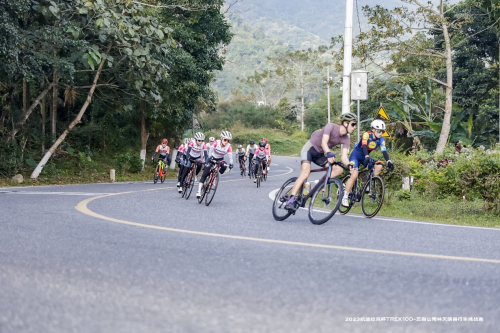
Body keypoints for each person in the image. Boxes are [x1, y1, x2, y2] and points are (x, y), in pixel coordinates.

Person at [285, 113, 358, 211]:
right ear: (345, 123)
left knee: (338, 169)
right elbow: (324, 142)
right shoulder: (331, 127)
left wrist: (349, 165)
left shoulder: (346, 139)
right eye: (353, 124)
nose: (354, 127)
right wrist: (328, 153)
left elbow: (344, 157)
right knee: (305, 173)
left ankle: (317, 186)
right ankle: (291, 200)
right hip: (310, 149)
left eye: (355, 125)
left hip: (320, 154)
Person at [342, 119, 394, 207]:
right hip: (356, 156)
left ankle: (367, 183)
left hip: (366, 157)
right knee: (354, 174)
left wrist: (389, 161)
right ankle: (345, 197)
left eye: (382, 131)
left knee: (379, 166)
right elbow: (364, 146)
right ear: (373, 130)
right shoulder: (366, 135)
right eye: (379, 131)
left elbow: (384, 151)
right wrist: (366, 156)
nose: (381, 133)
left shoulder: (381, 139)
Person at [196, 131, 234, 198]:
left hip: (220, 159)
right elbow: (210, 151)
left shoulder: (229, 146)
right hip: (212, 157)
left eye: (228, 140)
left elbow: (230, 156)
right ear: (221, 138)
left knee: (224, 167)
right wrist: (210, 158)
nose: (226, 142)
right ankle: (199, 191)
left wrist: (231, 164)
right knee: (205, 173)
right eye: (225, 139)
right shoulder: (216, 142)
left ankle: (214, 175)